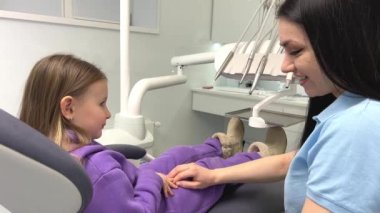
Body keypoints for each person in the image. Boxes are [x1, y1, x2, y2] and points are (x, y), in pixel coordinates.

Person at [168, 0, 380, 212]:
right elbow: (290, 162)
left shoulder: (356, 126)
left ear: (342, 45)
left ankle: (230, 146)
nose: (284, 66)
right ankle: (238, 148)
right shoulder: (351, 112)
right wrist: (214, 174)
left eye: (295, 50)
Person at [19, 54, 265, 213]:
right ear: (69, 108)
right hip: (162, 203)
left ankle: (223, 144)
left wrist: (148, 177)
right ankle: (258, 157)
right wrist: (155, 180)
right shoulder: (98, 168)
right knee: (202, 169)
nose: (108, 113)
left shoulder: (43, 156)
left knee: (176, 154)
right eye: (102, 103)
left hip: (132, 185)